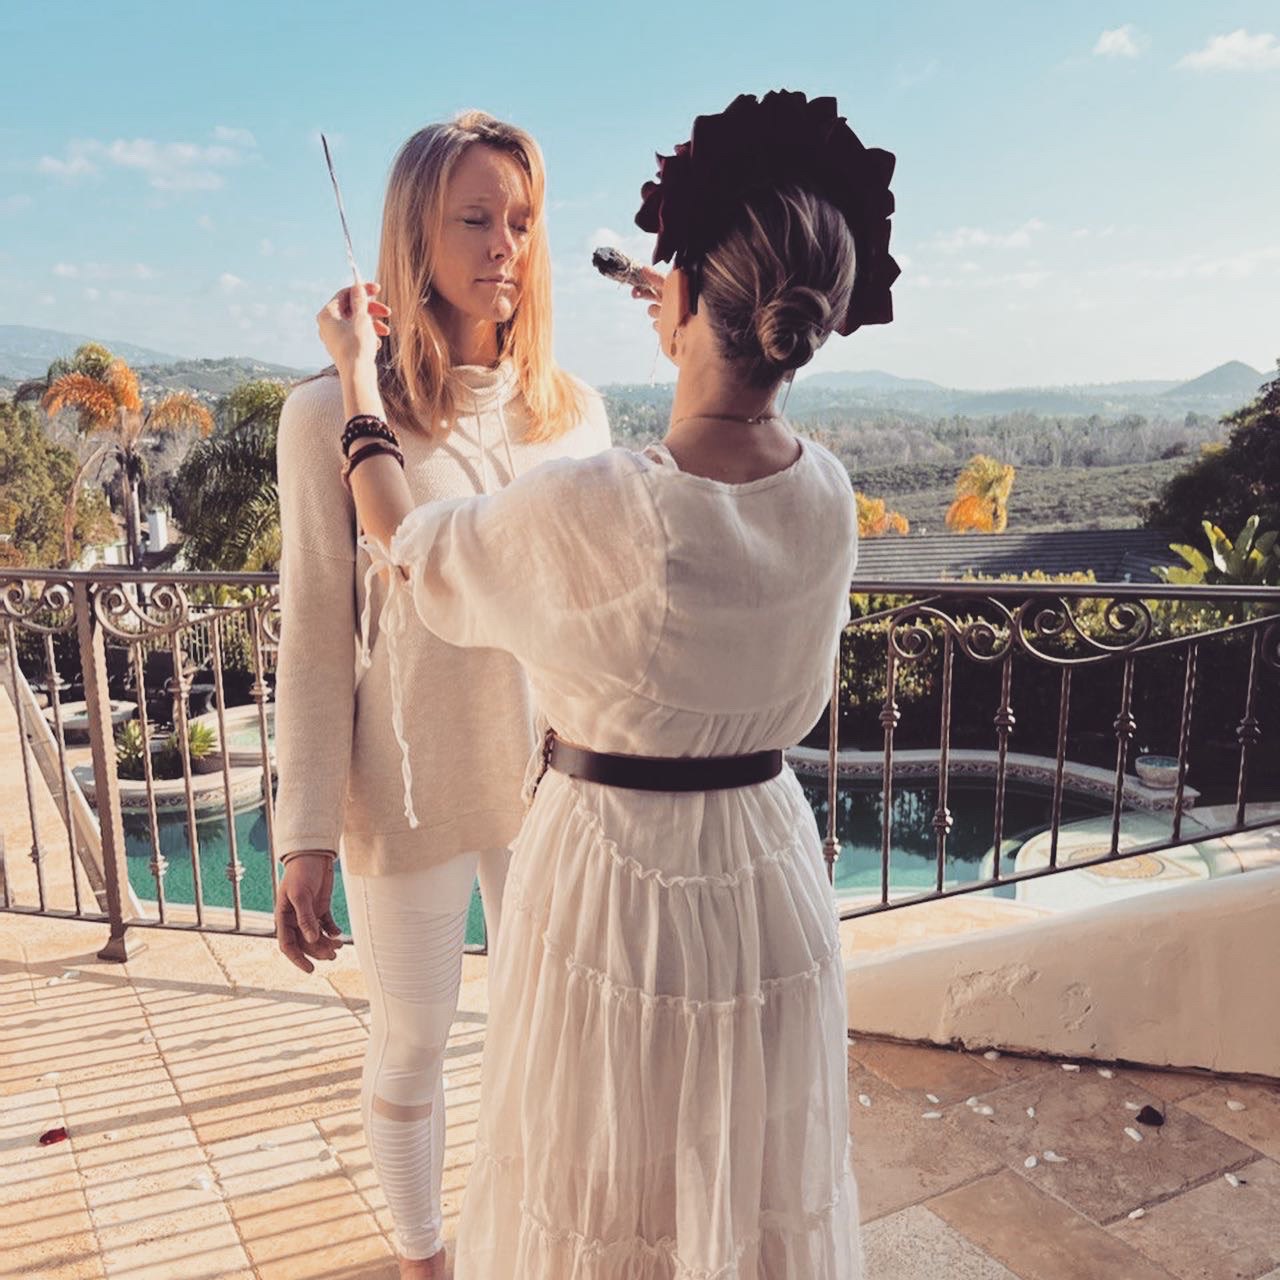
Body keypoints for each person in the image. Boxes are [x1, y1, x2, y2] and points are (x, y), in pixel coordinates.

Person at [315, 89, 899, 1279]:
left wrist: (357, 385)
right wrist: (695, 316)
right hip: (766, 867)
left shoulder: (604, 503)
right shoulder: (827, 493)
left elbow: (410, 548)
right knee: (739, 1181)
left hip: (621, 878)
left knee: (601, 1183)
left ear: (680, 303)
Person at [272, 111, 610, 1279]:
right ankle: (424, 1261)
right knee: (412, 1042)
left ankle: (529, 1241)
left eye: (520, 219)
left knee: (545, 1039)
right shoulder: (327, 412)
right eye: (473, 217)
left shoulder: (572, 413)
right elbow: (316, 629)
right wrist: (303, 832)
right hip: (405, 779)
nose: (503, 244)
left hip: (555, 780)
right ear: (413, 232)